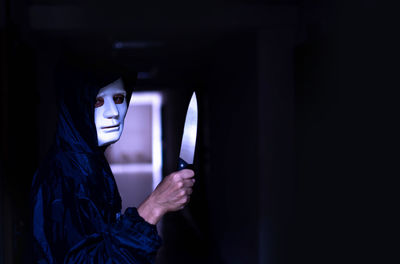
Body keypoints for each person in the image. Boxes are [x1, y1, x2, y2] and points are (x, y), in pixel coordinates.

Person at [31, 59, 195, 263]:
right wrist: (152, 207)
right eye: (97, 101)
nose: (113, 113)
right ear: (76, 106)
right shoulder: (62, 176)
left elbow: (103, 245)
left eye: (118, 98)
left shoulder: (89, 164)